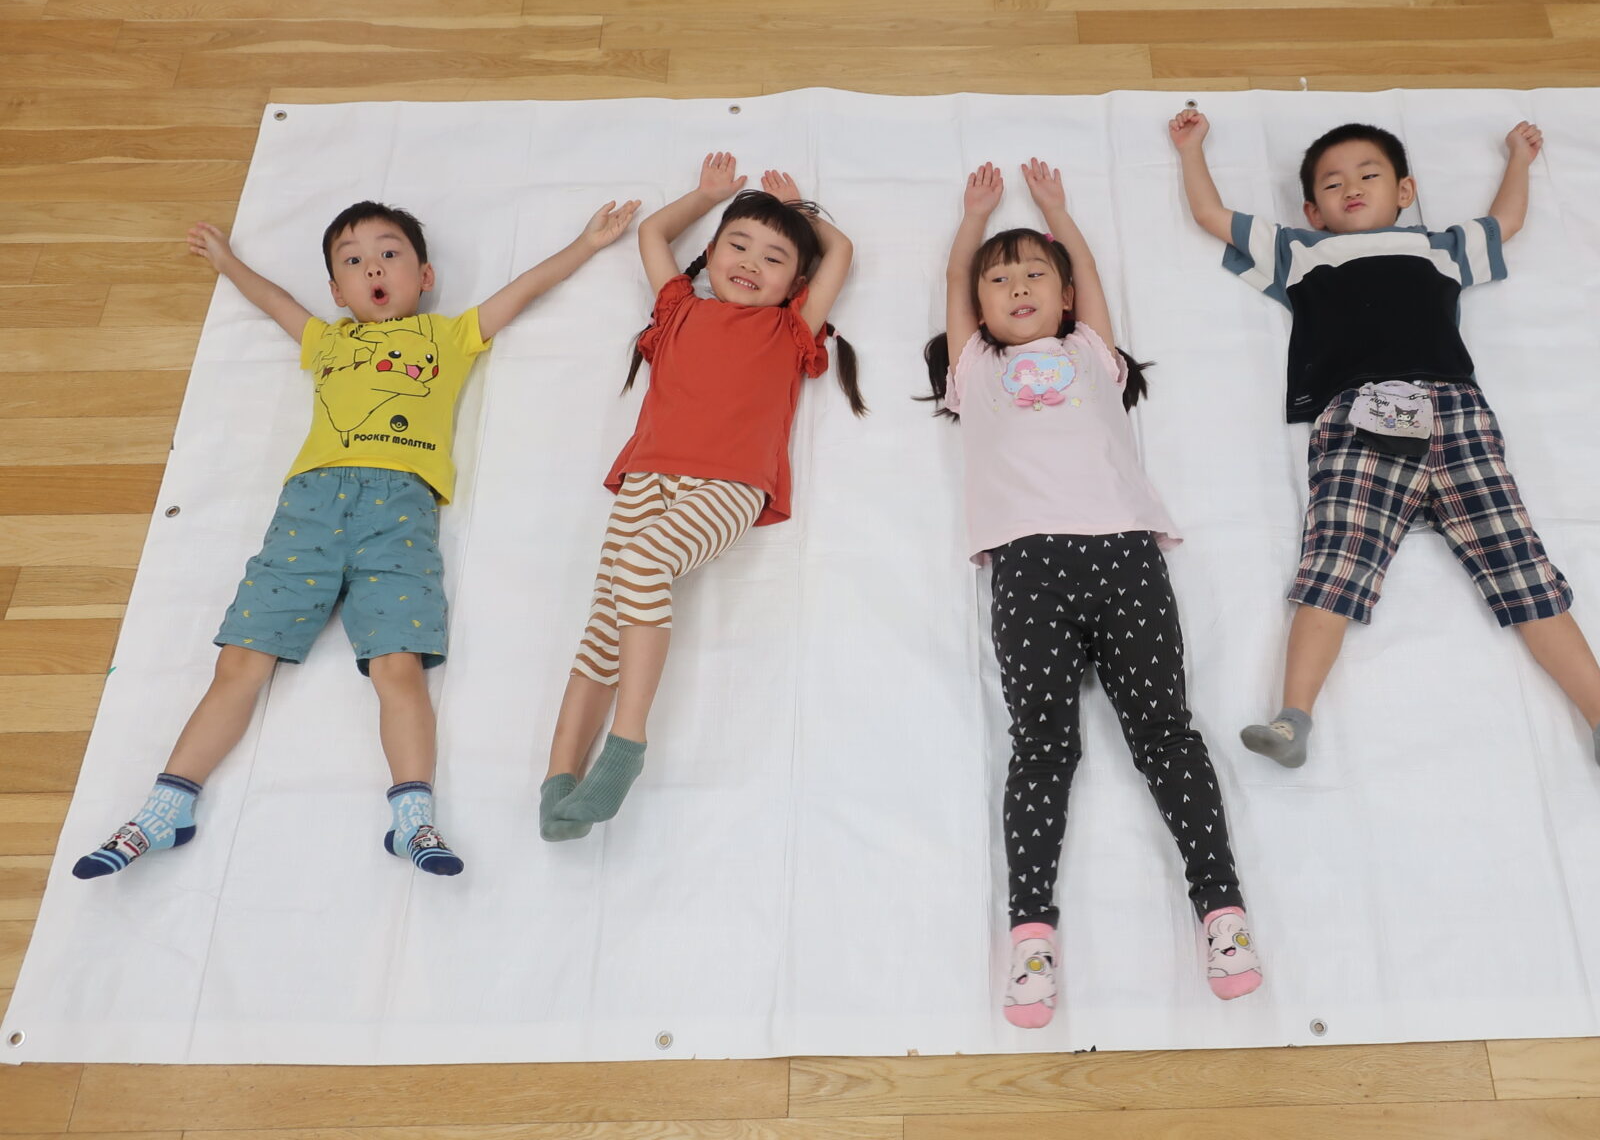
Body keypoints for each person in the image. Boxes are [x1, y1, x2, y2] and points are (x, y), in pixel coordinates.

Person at [74, 196, 639, 880]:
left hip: (399, 513)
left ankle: (413, 819)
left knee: (399, 668)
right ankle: (167, 808)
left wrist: (587, 244)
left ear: (424, 277)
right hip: (309, 509)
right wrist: (226, 261)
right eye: (353, 260)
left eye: (389, 253)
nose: (373, 266)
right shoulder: (327, 341)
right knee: (241, 662)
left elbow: (521, 292)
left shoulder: (446, 337)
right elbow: (275, 301)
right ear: (338, 292)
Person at [1170, 108, 1600, 774]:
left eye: (1369, 175)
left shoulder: (1438, 246)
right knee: (1335, 562)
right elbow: (1211, 215)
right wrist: (1191, 149)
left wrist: (1519, 160)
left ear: (1405, 191)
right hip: (1361, 415)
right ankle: (1292, 718)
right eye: (1332, 183)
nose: (1351, 187)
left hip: (1458, 411)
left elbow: (1506, 221)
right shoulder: (1300, 250)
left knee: (1522, 566)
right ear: (1312, 210)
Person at [923, 158, 1263, 1029]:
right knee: (1042, 748)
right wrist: (974, 221)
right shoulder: (974, 367)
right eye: (1000, 281)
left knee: (1167, 734)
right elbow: (955, 282)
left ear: (1066, 297)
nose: (1017, 287)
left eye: (1035, 274)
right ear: (980, 307)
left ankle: (1223, 914)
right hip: (1028, 569)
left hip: (1125, 556)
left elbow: (1089, 272)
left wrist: (1057, 210)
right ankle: (1030, 939)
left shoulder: (1088, 354)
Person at [540, 154, 863, 840]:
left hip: (730, 484)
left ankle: (627, 746)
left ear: (795, 284)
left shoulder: (791, 328)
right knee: (601, 629)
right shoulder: (679, 308)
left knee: (641, 567)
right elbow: (653, 234)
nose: (750, 263)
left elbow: (841, 252)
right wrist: (707, 194)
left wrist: (797, 211)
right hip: (647, 476)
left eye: (774, 259)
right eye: (737, 246)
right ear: (710, 254)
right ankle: (558, 785)